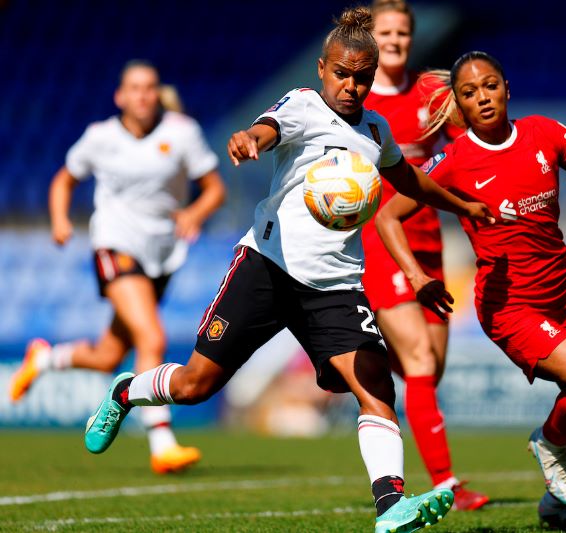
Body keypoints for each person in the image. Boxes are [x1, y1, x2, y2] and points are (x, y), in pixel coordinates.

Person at [82, 9, 493, 533]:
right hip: (267, 270)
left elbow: (409, 180)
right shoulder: (304, 105)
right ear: (322, 68)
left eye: (362, 77)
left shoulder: (374, 129)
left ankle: (391, 505)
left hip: (335, 286)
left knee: (376, 389)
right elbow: (269, 127)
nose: (352, 85)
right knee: (193, 386)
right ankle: (125, 392)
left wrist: (463, 205)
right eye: (342, 74)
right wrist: (249, 139)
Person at [375, 51, 566, 531]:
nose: (482, 98)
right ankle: (548, 443)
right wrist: (416, 276)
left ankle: (560, 508)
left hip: (565, 292)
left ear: (506, 88)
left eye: (489, 86)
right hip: (509, 305)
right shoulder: (453, 161)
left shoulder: (545, 132)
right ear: (459, 106)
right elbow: (388, 216)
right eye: (469, 93)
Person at [8, 60, 226, 475]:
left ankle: (44, 360)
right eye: (134, 88)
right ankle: (162, 444)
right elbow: (63, 180)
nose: (142, 95)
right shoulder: (100, 137)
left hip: (162, 253)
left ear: (156, 93)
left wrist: (195, 212)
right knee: (151, 335)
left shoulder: (182, 132)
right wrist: (58, 220)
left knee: (109, 355)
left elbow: (215, 188)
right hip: (114, 242)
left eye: (149, 88)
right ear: (120, 96)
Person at [360, 0, 489, 511]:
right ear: (372, 37)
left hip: (429, 238)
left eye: (402, 33)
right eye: (385, 32)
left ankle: (360, 365)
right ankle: (446, 485)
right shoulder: (355, 95)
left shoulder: (434, 92)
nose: (394, 40)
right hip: (378, 237)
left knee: (428, 369)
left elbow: (469, 150)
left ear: (412, 38)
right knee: (417, 359)